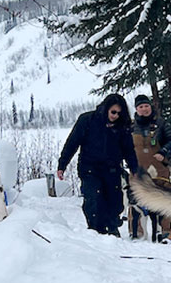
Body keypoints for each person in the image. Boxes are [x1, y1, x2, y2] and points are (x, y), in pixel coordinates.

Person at [57, 94, 139, 235]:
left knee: (114, 200)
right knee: (93, 198)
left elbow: (128, 149)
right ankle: (96, 230)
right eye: (113, 112)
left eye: (119, 113)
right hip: (90, 167)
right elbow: (72, 143)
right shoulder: (87, 120)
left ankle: (112, 226)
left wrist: (134, 168)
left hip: (112, 168)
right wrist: (62, 165)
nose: (116, 116)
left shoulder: (122, 126)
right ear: (106, 108)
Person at [129, 94, 171, 240]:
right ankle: (136, 232)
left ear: (151, 107)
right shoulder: (130, 126)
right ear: (136, 109)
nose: (144, 109)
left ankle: (166, 230)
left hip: (159, 167)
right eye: (141, 107)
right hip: (137, 168)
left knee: (163, 197)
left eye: (146, 106)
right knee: (135, 198)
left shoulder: (161, 123)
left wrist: (164, 152)